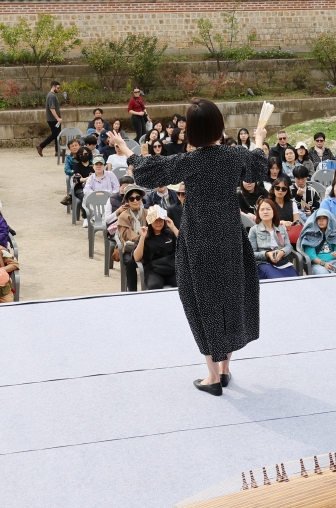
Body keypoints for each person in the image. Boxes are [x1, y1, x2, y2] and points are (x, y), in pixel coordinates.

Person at [111, 98, 269, 395]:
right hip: (230, 236)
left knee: (201, 302)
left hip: (199, 240)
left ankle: (212, 377)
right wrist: (258, 140)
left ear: (192, 131)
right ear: (220, 126)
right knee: (230, 297)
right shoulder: (235, 155)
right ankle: (224, 370)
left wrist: (127, 151)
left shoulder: (191, 161)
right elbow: (256, 167)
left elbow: (148, 172)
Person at [249, 198, 299, 279]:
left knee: (294, 278)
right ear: (258, 212)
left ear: (273, 212)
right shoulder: (254, 230)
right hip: (264, 263)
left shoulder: (281, 228)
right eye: (262, 209)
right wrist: (267, 254)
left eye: (268, 209)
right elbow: (251, 253)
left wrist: (282, 252)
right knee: (276, 278)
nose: (265, 212)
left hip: (282, 262)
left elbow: (288, 246)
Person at [133, 205, 178, 289]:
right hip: (153, 270)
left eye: (161, 220)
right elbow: (136, 258)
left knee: (184, 283)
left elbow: (185, 244)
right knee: (155, 286)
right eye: (155, 220)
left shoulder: (170, 234)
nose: (158, 223)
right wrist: (142, 237)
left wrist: (173, 227)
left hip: (171, 268)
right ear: (150, 221)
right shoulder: (144, 236)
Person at [298, 208, 336, 273]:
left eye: (324, 218)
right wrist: (324, 263)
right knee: (325, 275)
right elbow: (311, 256)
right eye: (319, 218)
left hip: (334, 262)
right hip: (317, 264)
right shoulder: (309, 235)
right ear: (315, 220)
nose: (321, 220)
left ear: (328, 220)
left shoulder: (335, 234)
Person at [36, 80, 63, 157]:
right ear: (53, 87)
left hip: (54, 119)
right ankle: (41, 146)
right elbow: (52, 108)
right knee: (55, 135)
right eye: (57, 88)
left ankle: (57, 151)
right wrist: (57, 118)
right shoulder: (51, 96)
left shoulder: (52, 95)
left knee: (58, 135)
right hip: (53, 119)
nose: (58, 89)